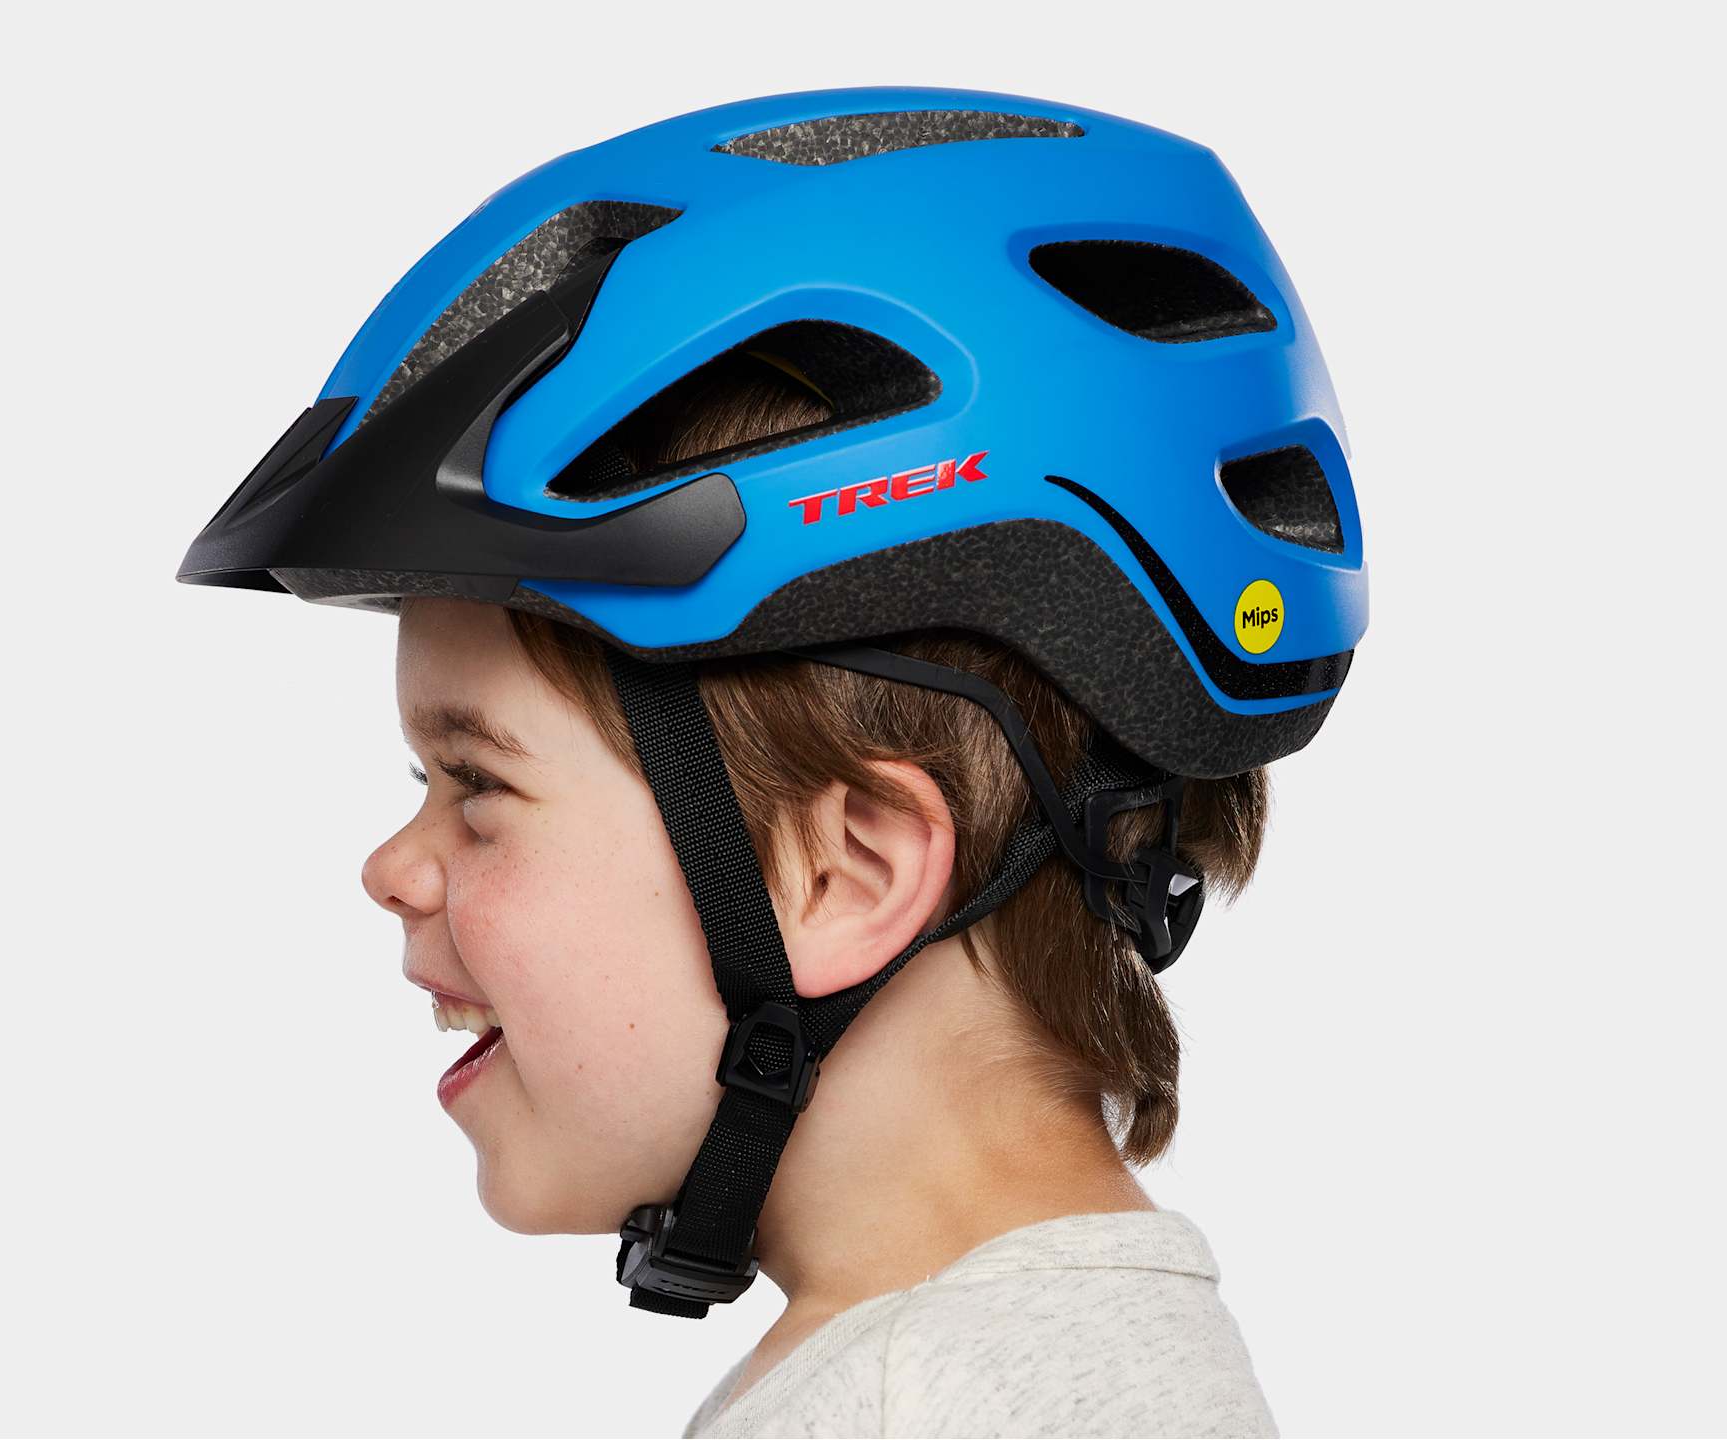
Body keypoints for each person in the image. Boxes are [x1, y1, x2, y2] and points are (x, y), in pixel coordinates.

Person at [178, 86, 1366, 1438]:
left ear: (844, 870)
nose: (390, 870)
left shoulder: (942, 1404)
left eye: (478, 785)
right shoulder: (946, 1372)